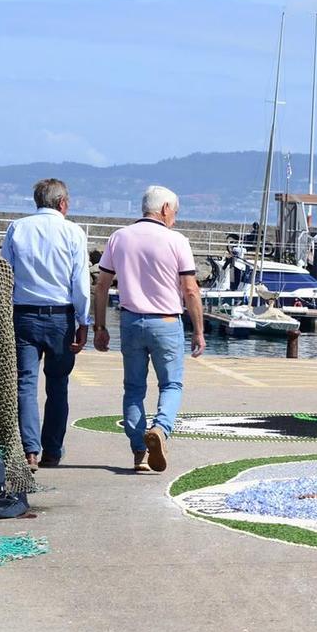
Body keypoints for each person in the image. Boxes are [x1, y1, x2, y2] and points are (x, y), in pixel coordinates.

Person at [91, 185, 205, 473]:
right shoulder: (176, 240)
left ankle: (139, 451)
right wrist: (199, 330)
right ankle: (161, 429)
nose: (175, 219)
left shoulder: (119, 237)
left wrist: (100, 326)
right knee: (171, 384)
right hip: (166, 321)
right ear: (165, 209)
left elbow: (102, 285)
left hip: (131, 320)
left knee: (133, 389)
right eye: (175, 212)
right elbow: (190, 289)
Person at [0, 177, 90, 469]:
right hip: (60, 317)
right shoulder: (73, 232)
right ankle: (52, 449)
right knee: (58, 384)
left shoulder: (18, 228)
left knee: (25, 383)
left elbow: (4, 273)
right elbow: (80, 282)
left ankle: (30, 450)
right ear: (62, 203)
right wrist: (84, 320)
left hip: (23, 314)